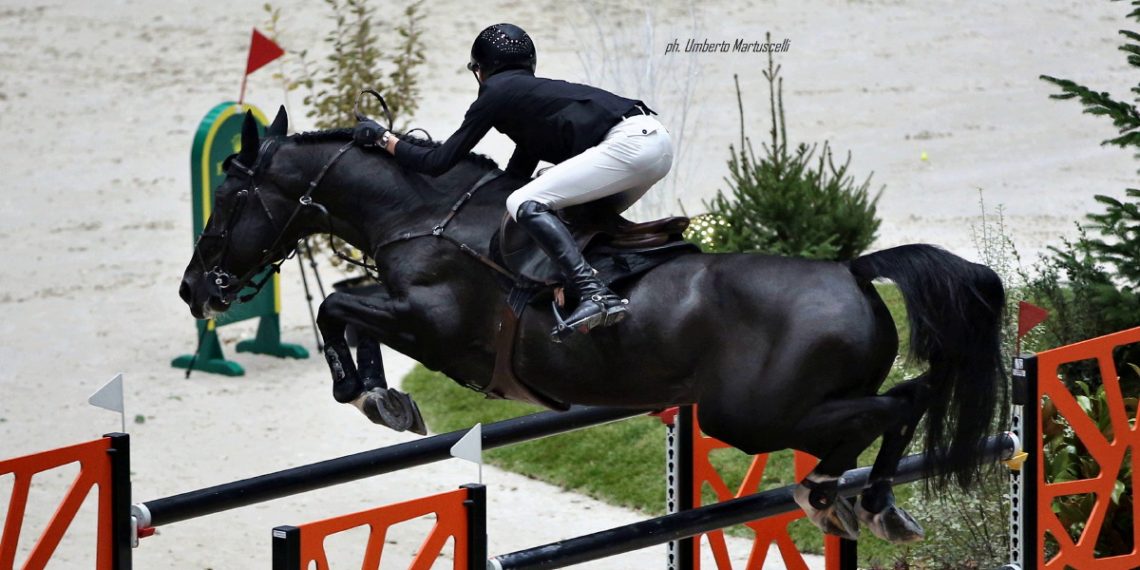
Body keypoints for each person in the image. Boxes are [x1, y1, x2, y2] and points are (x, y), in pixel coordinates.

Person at [354, 23, 673, 339]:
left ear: (481, 70)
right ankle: (589, 288)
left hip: (630, 144)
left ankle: (594, 293)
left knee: (524, 202)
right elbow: (514, 178)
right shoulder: (530, 104)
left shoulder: (495, 92)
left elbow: (436, 163)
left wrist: (383, 138)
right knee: (574, 217)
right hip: (655, 146)